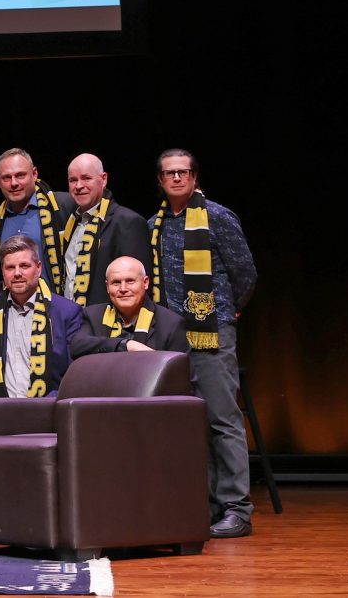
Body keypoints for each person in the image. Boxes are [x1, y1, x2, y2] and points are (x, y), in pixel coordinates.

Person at [149, 148, 257, 539]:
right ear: (160, 180)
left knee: (222, 418)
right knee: (189, 424)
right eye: (169, 173)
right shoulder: (154, 226)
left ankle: (236, 508)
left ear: (195, 176)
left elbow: (245, 272)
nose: (176, 178)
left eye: (184, 172)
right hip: (171, 340)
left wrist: (226, 311)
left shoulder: (217, 217)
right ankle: (204, 505)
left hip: (210, 332)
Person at [0, 235, 83, 397]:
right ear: (3, 271)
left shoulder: (67, 311)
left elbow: (75, 375)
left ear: (38, 268)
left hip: (49, 411)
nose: (17, 273)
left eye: (24, 266)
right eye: (10, 267)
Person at [61, 153, 153, 307]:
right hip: (69, 322)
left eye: (86, 178)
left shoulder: (127, 222)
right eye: (73, 180)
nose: (78, 186)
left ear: (103, 179)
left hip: (107, 325)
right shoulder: (69, 223)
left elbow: (138, 289)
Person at [0, 147, 77, 294]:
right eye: (7, 178)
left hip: (56, 308)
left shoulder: (63, 206)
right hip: (11, 311)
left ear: (34, 174)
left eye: (20, 175)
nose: (14, 183)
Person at [71, 256, 189, 355]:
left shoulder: (171, 323)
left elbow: (182, 375)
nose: (123, 289)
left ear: (145, 283)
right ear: (107, 287)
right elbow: (77, 346)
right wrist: (126, 345)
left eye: (130, 281)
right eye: (116, 282)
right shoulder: (93, 315)